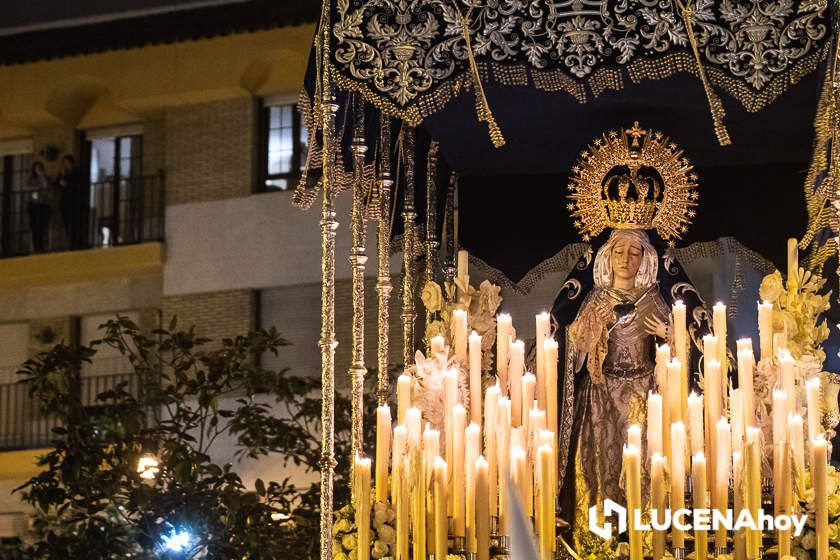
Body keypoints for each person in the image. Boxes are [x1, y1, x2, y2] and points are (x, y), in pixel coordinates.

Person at [56, 155, 86, 249]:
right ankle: (71, 242)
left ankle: (77, 243)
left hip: (75, 201)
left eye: (67, 162)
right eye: (63, 163)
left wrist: (67, 184)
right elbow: (56, 183)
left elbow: (79, 184)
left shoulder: (77, 172)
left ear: (71, 162)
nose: (65, 164)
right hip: (65, 202)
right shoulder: (63, 173)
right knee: (67, 223)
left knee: (75, 223)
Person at [26, 161, 52, 252]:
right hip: (34, 205)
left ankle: (42, 247)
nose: (38, 170)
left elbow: (46, 189)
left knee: (42, 227)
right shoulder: (31, 179)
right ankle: (36, 247)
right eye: (36, 168)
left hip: (44, 205)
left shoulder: (46, 178)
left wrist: (42, 177)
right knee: (35, 227)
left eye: (40, 168)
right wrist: (38, 187)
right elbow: (28, 187)